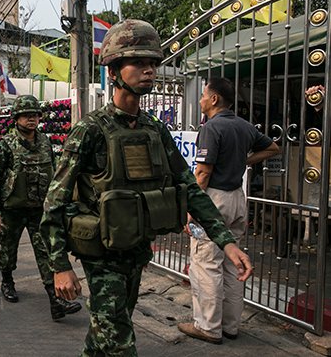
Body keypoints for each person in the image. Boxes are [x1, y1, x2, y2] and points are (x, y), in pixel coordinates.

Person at [39, 19, 253, 356]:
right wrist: (60, 266)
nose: (149, 70)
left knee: (105, 334)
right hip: (102, 257)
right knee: (121, 343)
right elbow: (54, 202)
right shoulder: (90, 131)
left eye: (153, 63)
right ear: (113, 72)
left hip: (137, 252)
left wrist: (226, 242)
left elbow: (190, 188)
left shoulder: (155, 129)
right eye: (138, 63)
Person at [177, 77, 280, 344]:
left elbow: (202, 173)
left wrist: (190, 210)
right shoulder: (244, 127)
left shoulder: (212, 127)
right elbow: (272, 147)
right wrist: (244, 161)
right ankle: (230, 326)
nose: (200, 100)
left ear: (214, 99)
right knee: (232, 264)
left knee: (206, 263)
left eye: (202, 95)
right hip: (237, 198)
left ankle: (208, 327)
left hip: (214, 200)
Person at [0, 95, 82, 320]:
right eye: (26, 115)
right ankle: (7, 281)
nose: (31, 119)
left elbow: (56, 171)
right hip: (12, 209)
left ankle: (56, 301)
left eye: (34, 115)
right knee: (8, 250)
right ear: (17, 118)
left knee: (46, 252)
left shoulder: (45, 142)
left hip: (39, 209)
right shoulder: (6, 144)